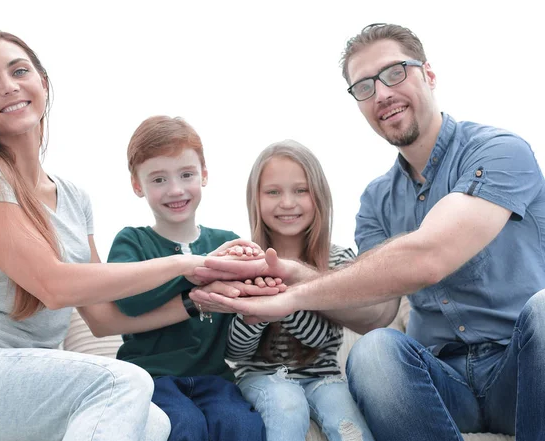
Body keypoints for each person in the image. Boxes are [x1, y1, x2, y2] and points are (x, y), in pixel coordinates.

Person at [190, 23, 545, 441]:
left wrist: (292, 296)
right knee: (375, 349)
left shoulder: (500, 150)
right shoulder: (376, 200)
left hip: (522, 372)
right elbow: (376, 311)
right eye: (364, 86)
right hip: (442, 380)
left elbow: (429, 256)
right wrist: (292, 277)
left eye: (395, 73)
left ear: (429, 75)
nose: (382, 94)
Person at [0, 29, 234, 441]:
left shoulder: (74, 198)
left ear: (42, 83)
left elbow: (103, 319)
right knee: (124, 382)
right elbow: (54, 285)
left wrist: (196, 301)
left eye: (19, 70)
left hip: (30, 375)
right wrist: (189, 262)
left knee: (156, 424)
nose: (7, 86)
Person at [79, 115, 272, 441]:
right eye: (158, 179)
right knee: (183, 426)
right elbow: (130, 301)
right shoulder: (131, 242)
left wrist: (255, 286)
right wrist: (196, 270)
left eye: (186, 174)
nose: (176, 189)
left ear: (204, 175)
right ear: (137, 185)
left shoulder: (225, 240)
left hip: (215, 377)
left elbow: (238, 318)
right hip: (153, 378)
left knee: (242, 426)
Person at [224, 139, 374, 441]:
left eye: (300, 190)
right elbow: (235, 352)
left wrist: (283, 302)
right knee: (286, 404)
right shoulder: (243, 261)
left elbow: (325, 339)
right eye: (273, 192)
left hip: (324, 377)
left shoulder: (339, 261)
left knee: (351, 429)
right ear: (256, 199)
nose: (288, 202)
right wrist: (258, 315)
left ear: (318, 196)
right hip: (259, 377)